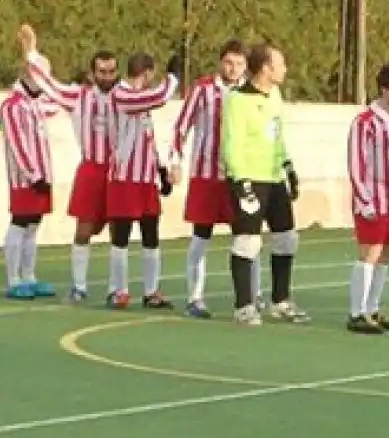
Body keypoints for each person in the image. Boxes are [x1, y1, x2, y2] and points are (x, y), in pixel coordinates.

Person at [18, 24, 173, 305]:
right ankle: (79, 286)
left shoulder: (124, 96)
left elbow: (147, 129)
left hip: (119, 172)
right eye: (101, 72)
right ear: (92, 73)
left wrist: (161, 167)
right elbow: (50, 85)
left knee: (120, 230)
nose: (107, 77)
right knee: (84, 229)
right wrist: (31, 53)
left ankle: (118, 289)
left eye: (112, 71)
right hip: (92, 167)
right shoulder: (80, 96)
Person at [220, 42, 309, 326]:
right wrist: (240, 181)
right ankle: (244, 305)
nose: (284, 69)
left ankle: (280, 300)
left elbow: (277, 135)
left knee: (287, 238)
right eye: (280, 64)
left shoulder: (275, 96)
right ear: (265, 69)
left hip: (273, 177)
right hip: (250, 178)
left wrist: (288, 167)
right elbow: (231, 143)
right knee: (247, 241)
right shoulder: (237, 99)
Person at [170, 40, 249, 319]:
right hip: (205, 175)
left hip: (238, 177)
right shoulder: (203, 89)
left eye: (239, 63)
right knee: (201, 236)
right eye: (229, 62)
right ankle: (195, 297)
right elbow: (181, 126)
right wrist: (174, 161)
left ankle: (249, 297)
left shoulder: (250, 92)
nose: (233, 68)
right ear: (220, 62)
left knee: (245, 236)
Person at [103, 52, 180, 309]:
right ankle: (118, 290)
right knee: (121, 235)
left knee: (151, 233)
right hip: (125, 177)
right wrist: (173, 79)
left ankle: (151, 291)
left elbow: (147, 137)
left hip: (145, 179)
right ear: (147, 73)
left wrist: (160, 171)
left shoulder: (139, 100)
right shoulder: (121, 95)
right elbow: (159, 97)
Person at [347, 64, 389, 334]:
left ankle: (372, 308)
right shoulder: (365, 121)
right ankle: (356, 312)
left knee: (385, 254)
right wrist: (364, 199)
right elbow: (356, 162)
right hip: (372, 198)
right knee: (369, 253)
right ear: (384, 89)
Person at [0, 58, 60, 300]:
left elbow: (56, 105)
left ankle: (29, 275)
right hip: (25, 178)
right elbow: (17, 143)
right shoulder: (12, 106)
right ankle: (14, 278)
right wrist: (33, 174)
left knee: (33, 226)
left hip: (42, 174)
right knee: (19, 222)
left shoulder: (36, 103)